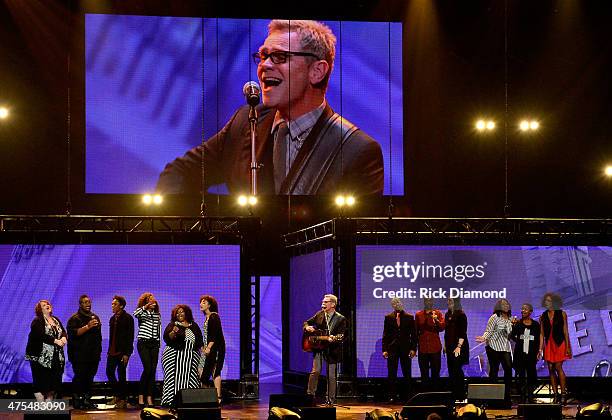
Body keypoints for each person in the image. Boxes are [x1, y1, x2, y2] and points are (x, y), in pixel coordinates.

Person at [156, 19, 384, 195]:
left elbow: (358, 242)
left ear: (317, 71)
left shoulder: (358, 151)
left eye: (279, 57)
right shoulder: (245, 121)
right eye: (263, 56)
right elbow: (178, 174)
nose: (264, 66)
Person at [303, 294, 348, 405]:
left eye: (326, 302)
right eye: (323, 301)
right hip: (319, 348)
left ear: (333, 304)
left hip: (332, 350)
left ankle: (330, 399)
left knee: (331, 375)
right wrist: (307, 327)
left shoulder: (340, 318)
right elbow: (307, 322)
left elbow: (342, 335)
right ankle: (310, 395)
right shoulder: (319, 314)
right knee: (316, 371)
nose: (323, 304)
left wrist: (334, 339)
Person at [161, 304, 203, 407]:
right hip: (173, 357)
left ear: (187, 313)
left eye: (182, 311)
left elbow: (199, 341)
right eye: (177, 312)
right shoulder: (173, 324)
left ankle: (191, 400)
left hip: (191, 358)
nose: (180, 314)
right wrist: (173, 332)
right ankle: (171, 401)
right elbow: (167, 338)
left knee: (191, 378)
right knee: (172, 379)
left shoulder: (194, 325)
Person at [25, 300, 67, 402]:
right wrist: (56, 341)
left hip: (56, 356)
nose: (47, 305)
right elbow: (40, 335)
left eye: (48, 304)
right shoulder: (37, 321)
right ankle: (41, 404)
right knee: (41, 382)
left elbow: (63, 331)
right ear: (40, 309)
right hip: (40, 357)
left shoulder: (55, 319)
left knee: (54, 383)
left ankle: (49, 405)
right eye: (44, 305)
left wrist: (64, 338)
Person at [67, 295, 102, 410]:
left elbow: (98, 336)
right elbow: (73, 334)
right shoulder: (74, 319)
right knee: (80, 378)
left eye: (89, 302)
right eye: (85, 302)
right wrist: (88, 326)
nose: (88, 304)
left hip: (93, 355)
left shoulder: (94, 317)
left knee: (90, 378)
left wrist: (99, 351)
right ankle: (77, 400)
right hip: (79, 355)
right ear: (80, 304)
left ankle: (87, 400)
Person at [475, 299, 513, 403]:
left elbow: (510, 335)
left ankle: (506, 395)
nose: (506, 305)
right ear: (499, 306)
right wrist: (484, 338)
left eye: (507, 303)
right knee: (494, 370)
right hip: (493, 347)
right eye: (503, 304)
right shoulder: (494, 317)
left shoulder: (510, 319)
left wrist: (512, 325)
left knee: (508, 370)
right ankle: (493, 397)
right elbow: (489, 330)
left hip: (505, 347)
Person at [539, 292, 572, 404]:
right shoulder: (542, 316)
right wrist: (540, 349)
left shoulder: (562, 314)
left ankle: (563, 394)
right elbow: (542, 334)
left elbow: (565, 331)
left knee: (558, 367)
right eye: (546, 301)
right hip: (549, 344)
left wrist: (568, 346)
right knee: (551, 369)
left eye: (549, 301)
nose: (547, 303)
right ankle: (555, 395)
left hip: (560, 343)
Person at [381, 298, 416, 402]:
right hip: (392, 349)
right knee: (392, 373)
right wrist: (384, 349)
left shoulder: (410, 317)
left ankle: (408, 397)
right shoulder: (388, 317)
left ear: (401, 303)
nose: (396, 305)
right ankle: (392, 396)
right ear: (392, 305)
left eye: (398, 302)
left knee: (407, 373)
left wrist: (413, 349)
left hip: (405, 348)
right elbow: (385, 335)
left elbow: (413, 335)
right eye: (394, 303)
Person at [106, 295, 134, 409]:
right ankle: (118, 395)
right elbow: (112, 336)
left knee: (121, 374)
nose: (112, 306)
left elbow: (130, 336)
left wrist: (127, 353)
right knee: (109, 372)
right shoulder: (112, 319)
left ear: (121, 306)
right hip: (112, 351)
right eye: (112, 304)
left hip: (122, 352)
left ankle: (122, 398)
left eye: (115, 304)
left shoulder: (128, 318)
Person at [134, 292, 161, 408]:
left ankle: (149, 397)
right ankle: (141, 396)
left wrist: (158, 342)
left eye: (153, 299)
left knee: (153, 370)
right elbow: (135, 314)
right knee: (148, 368)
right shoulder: (142, 312)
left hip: (154, 343)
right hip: (143, 342)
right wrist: (145, 307)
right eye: (149, 299)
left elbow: (158, 329)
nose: (152, 301)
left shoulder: (157, 315)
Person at [510, 303, 540, 403]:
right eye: (522, 309)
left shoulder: (536, 325)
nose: (522, 311)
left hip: (531, 355)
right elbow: (511, 336)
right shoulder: (518, 324)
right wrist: (518, 341)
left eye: (525, 309)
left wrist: (538, 351)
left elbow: (538, 340)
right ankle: (522, 397)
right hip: (520, 355)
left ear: (530, 312)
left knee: (532, 375)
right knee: (521, 376)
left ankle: (531, 396)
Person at [198, 295, 226, 403]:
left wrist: (209, 347)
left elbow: (214, 334)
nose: (201, 304)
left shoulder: (214, 316)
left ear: (210, 305)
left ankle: (218, 397)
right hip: (209, 348)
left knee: (215, 371)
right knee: (202, 371)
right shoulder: (207, 318)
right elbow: (207, 335)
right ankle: (207, 395)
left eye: (204, 302)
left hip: (216, 348)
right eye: (201, 302)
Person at [444, 297, 469, 401]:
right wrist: (445, 346)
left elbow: (463, 333)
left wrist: (458, 347)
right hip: (449, 346)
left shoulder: (461, 315)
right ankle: (453, 393)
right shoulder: (447, 314)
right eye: (448, 300)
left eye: (451, 301)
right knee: (451, 370)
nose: (449, 302)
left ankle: (460, 394)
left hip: (459, 346)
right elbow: (446, 332)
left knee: (457, 370)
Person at [415, 298, 445, 383]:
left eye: (430, 300)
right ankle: (425, 393)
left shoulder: (438, 313)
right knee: (424, 374)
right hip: (423, 348)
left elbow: (442, 328)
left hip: (435, 348)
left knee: (435, 373)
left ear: (433, 302)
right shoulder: (418, 314)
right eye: (427, 300)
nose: (428, 302)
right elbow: (415, 332)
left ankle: (435, 393)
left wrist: (436, 320)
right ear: (424, 302)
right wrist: (414, 348)